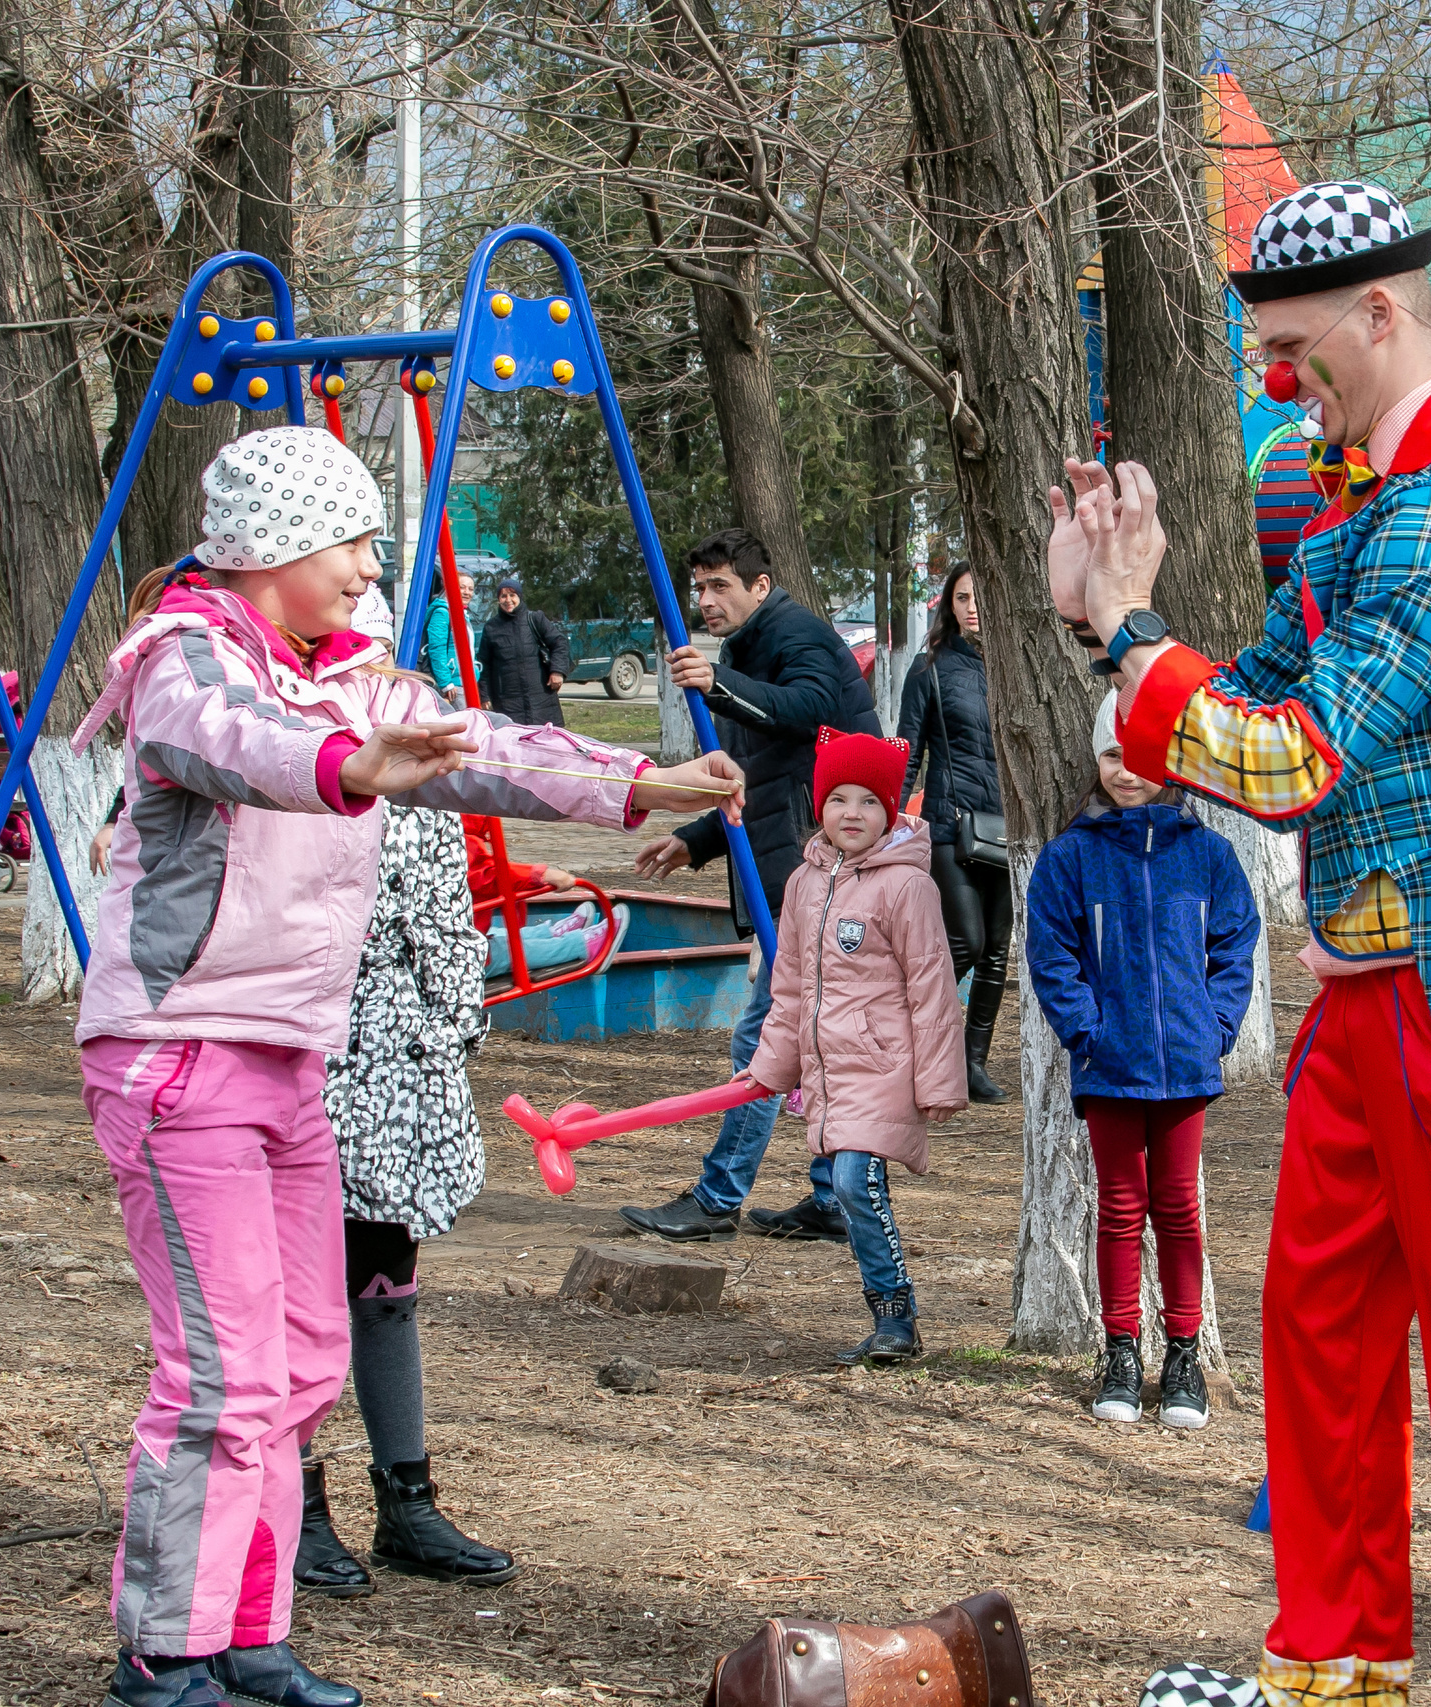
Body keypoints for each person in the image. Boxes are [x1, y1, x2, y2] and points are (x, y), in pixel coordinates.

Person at [68, 424, 741, 1707]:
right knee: (221, 1375)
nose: (375, 571)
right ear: (277, 547)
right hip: (178, 1052)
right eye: (357, 544)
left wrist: (644, 784)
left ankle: (247, 1632)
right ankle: (165, 1652)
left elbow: (483, 747)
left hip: (289, 1059)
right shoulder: (182, 660)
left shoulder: (360, 674)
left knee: (310, 1354)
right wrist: (344, 769)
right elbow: (233, 743)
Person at [1053, 181, 1431, 1707]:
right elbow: (1243, 695)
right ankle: (1340, 1657)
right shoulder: (1374, 490)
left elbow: (1294, 758)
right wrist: (1112, 618)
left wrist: (1131, 631)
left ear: (1386, 312)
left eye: (1295, 348)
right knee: (1320, 1337)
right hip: (1376, 990)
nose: (1279, 380)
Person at [623, 529, 882, 1245]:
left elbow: (807, 707)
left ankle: (717, 1197)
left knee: (763, 1035)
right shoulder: (747, 647)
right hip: (805, 867)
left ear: (760, 587)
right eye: (698, 588)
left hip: (826, 871)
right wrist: (697, 839)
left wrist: (720, 685)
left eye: (719, 587)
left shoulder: (799, 635)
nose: (705, 601)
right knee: (810, 1037)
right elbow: (763, 777)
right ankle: (836, 1196)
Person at [294, 804, 520, 1601]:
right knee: (303, 1286)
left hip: (405, 1051)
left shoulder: (421, 781)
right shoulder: (286, 756)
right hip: (305, 1039)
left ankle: (407, 1502)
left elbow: (447, 911)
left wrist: (455, 1028)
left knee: (386, 1276)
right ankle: (290, 1502)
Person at [1025, 692, 1259, 1430]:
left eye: (1143, 755)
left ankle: (1182, 1352)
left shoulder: (1208, 854)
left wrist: (1215, 1025)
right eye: (1112, 755)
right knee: (1122, 1209)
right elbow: (1051, 952)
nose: (1127, 771)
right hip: (1111, 1061)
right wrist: (1084, 1030)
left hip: (1186, 1063)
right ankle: (1122, 1349)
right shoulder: (1072, 856)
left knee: (1180, 1209)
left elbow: (1235, 945)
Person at [741, 728, 965, 1364]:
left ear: (890, 810)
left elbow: (933, 989)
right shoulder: (803, 885)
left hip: (884, 1065)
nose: (852, 814)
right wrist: (771, 1069)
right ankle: (893, 1321)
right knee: (855, 1186)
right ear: (820, 806)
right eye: (838, 799)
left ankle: (895, 1315)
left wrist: (941, 1082)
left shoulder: (906, 888)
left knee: (852, 1181)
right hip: (828, 1071)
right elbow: (788, 991)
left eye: (869, 801)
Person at [896, 563, 1013, 1102]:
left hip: (1009, 830)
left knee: (997, 948)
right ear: (949, 604)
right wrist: (889, 821)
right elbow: (907, 751)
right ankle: (907, 1038)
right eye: (963, 598)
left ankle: (971, 1064)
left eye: (981, 598)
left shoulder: (1019, 668)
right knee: (966, 939)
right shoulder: (932, 668)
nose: (972, 608)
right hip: (951, 824)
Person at [460, 813, 619, 980]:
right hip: (455, 962)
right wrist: (537, 875)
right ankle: (579, 946)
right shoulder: (454, 840)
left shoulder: (449, 830)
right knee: (501, 950)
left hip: (446, 938)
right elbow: (480, 875)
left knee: (495, 935)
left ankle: (548, 933)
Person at [474, 576, 568, 725]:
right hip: (507, 700)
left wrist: (557, 671)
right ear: (498, 599)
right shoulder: (491, 627)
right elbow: (484, 664)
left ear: (520, 596)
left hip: (541, 697)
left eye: (512, 595)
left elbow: (559, 643)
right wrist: (484, 696)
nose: (508, 600)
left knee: (547, 741)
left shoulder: (535, 619)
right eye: (503, 596)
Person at [426, 572, 476, 697]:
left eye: (470, 589)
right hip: (453, 685)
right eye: (462, 587)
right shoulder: (442, 613)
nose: (467, 592)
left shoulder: (462, 614)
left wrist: (475, 673)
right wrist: (445, 683)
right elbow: (437, 648)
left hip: (465, 681)